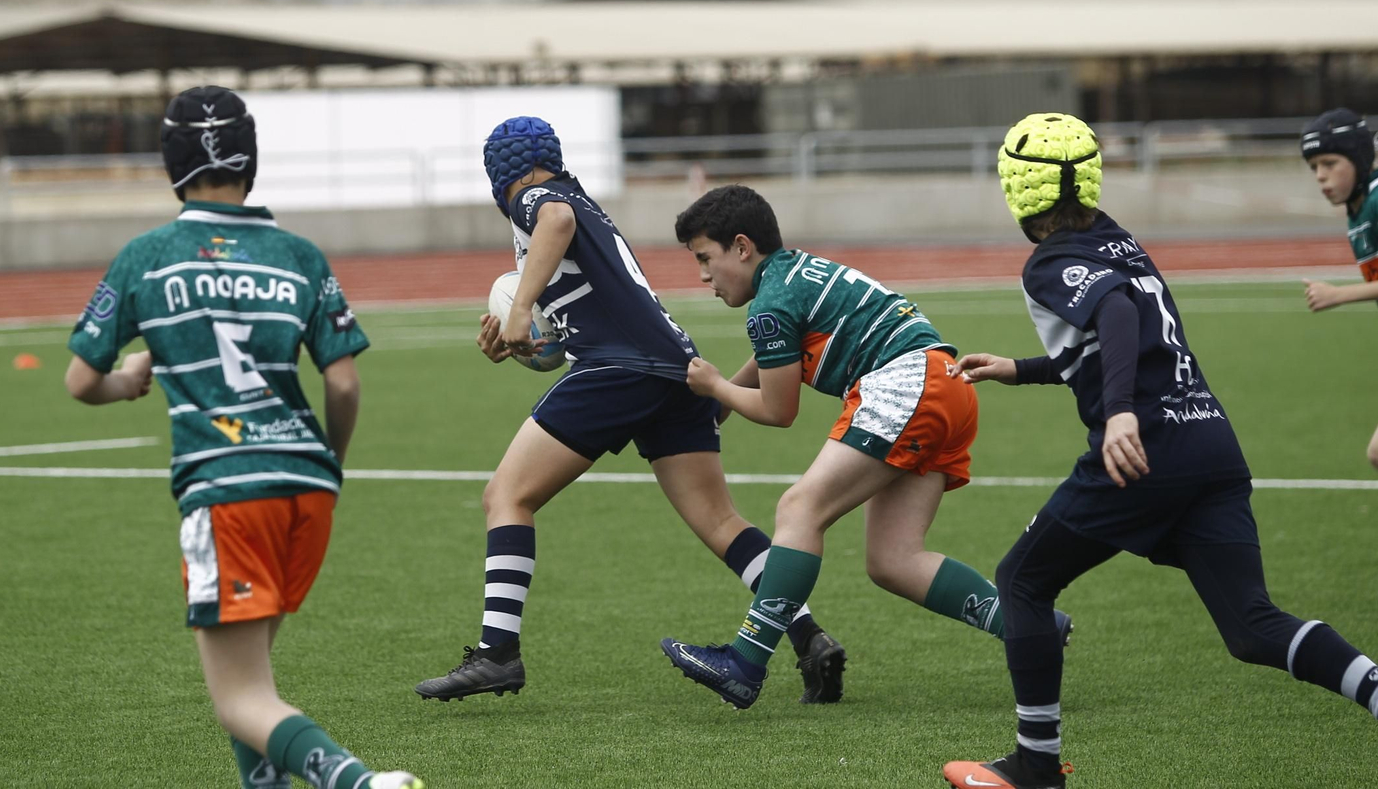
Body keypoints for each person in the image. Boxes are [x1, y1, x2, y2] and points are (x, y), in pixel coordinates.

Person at [941, 112, 1378, 789]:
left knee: (1023, 580)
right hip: (1210, 441)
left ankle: (1035, 765)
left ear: (1016, 187)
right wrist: (1023, 367)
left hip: (1146, 450)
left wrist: (1118, 415)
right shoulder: (1116, 235)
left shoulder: (1049, 261)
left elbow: (1115, 314)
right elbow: (1126, 332)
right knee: (1252, 626)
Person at [414, 117, 846, 703]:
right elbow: (576, 319)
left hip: (619, 367)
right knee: (721, 522)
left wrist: (518, 312)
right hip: (672, 366)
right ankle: (809, 637)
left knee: (506, 496)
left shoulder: (541, 199)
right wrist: (516, 342)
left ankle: (498, 654)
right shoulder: (578, 204)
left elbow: (555, 222)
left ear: (503, 170)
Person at [65, 86, 421, 789]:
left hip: (226, 487)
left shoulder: (146, 257)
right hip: (307, 485)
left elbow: (81, 378)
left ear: (171, 162)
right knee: (254, 685)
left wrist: (130, 379)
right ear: (250, 159)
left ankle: (358, 782)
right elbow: (344, 385)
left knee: (240, 696)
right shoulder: (299, 255)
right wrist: (331, 465)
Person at [658, 183, 1065, 709]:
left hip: (906, 385)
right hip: (948, 384)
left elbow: (780, 412)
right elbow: (770, 360)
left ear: (741, 247)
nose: (703, 277)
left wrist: (715, 387)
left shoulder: (769, 304)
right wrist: (718, 404)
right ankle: (1032, 628)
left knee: (800, 507)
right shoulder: (793, 272)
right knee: (893, 560)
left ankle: (744, 662)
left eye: (705, 259)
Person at [1298, 107, 1378, 470]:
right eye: (1314, 167)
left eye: (1330, 163)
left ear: (1359, 158)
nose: (1320, 176)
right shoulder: (1357, 211)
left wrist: (1338, 295)